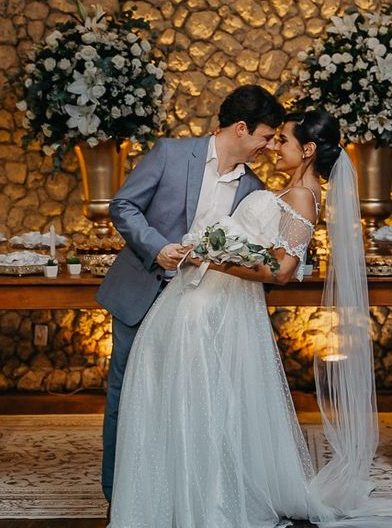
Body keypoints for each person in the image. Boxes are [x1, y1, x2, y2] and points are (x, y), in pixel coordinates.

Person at [109, 110, 377, 527]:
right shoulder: (287, 191)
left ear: (307, 150)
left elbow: (282, 271)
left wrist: (210, 259)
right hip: (199, 301)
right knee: (185, 401)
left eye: (283, 141)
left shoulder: (303, 196)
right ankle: (175, 497)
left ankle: (199, 503)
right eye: (272, 138)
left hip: (211, 306)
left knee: (198, 404)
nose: (274, 147)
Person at [95, 85, 285, 505]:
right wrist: (157, 247)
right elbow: (123, 205)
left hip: (198, 310)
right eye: (266, 137)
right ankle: (117, 496)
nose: (268, 148)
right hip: (144, 291)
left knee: (182, 400)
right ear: (241, 128)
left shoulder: (253, 189)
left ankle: (172, 492)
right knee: (126, 394)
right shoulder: (171, 153)